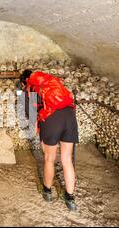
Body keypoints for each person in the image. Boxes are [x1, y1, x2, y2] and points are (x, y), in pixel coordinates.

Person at [21, 70, 79, 211]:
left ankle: (47, 191)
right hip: (69, 116)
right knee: (67, 160)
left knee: (49, 158)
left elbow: (31, 114)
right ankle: (70, 198)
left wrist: (38, 126)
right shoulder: (51, 82)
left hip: (52, 118)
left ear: (25, 81)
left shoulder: (29, 88)